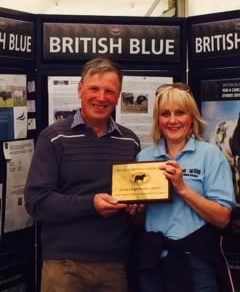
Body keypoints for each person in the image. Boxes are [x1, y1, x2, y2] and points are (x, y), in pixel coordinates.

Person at [24, 57, 141, 292]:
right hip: (64, 267)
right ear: (80, 90)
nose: (101, 97)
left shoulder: (130, 141)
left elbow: (136, 211)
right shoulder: (53, 137)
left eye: (109, 91)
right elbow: (37, 202)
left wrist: (137, 209)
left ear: (118, 96)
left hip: (114, 266)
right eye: (94, 89)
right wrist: (91, 204)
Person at [136, 83, 236, 292]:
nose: (172, 120)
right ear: (158, 120)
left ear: (192, 118)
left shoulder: (211, 155)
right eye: (165, 114)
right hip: (153, 261)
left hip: (197, 263)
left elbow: (223, 218)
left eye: (180, 113)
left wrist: (182, 188)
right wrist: (135, 209)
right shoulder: (144, 157)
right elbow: (140, 218)